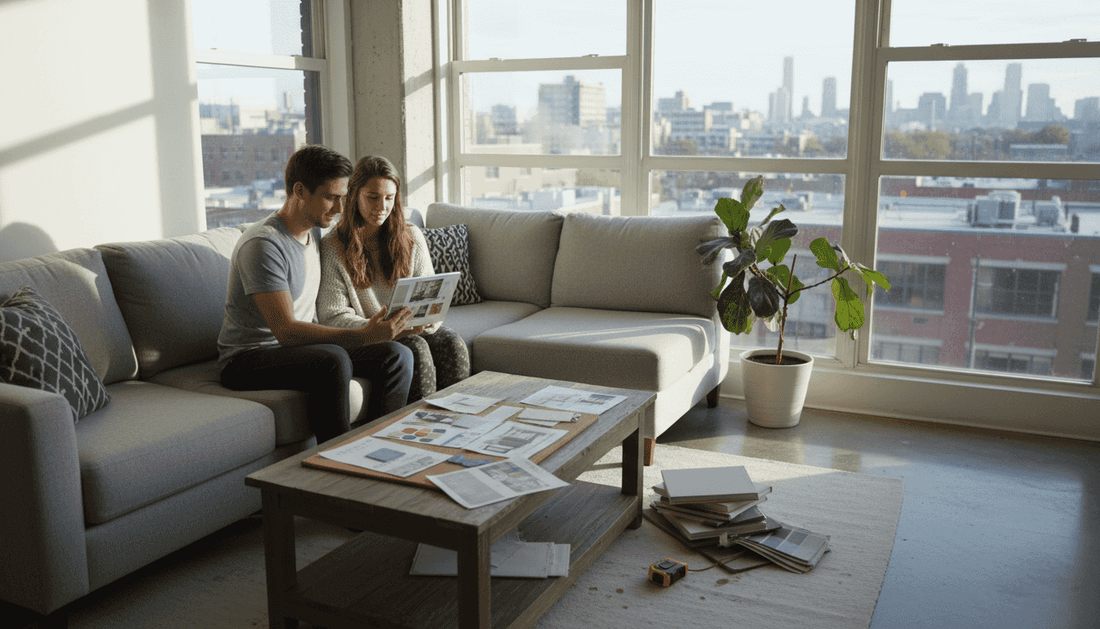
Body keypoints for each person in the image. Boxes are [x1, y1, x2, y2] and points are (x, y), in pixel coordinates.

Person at [217, 145, 415, 444]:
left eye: (343, 198)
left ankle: (382, 446)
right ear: (299, 191)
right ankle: (339, 455)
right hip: (247, 360)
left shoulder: (313, 234)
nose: (339, 209)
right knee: (332, 360)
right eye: (331, 198)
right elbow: (286, 332)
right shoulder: (264, 245)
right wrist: (364, 335)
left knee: (396, 355)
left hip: (297, 350)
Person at [317, 155, 470, 402]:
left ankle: (458, 416)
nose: (382, 206)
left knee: (452, 344)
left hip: (409, 330)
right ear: (354, 195)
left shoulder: (411, 236)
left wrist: (427, 322)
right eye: (373, 197)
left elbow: (433, 297)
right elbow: (331, 315)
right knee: (416, 348)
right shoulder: (333, 246)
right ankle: (420, 423)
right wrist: (377, 330)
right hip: (368, 337)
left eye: (389, 198)